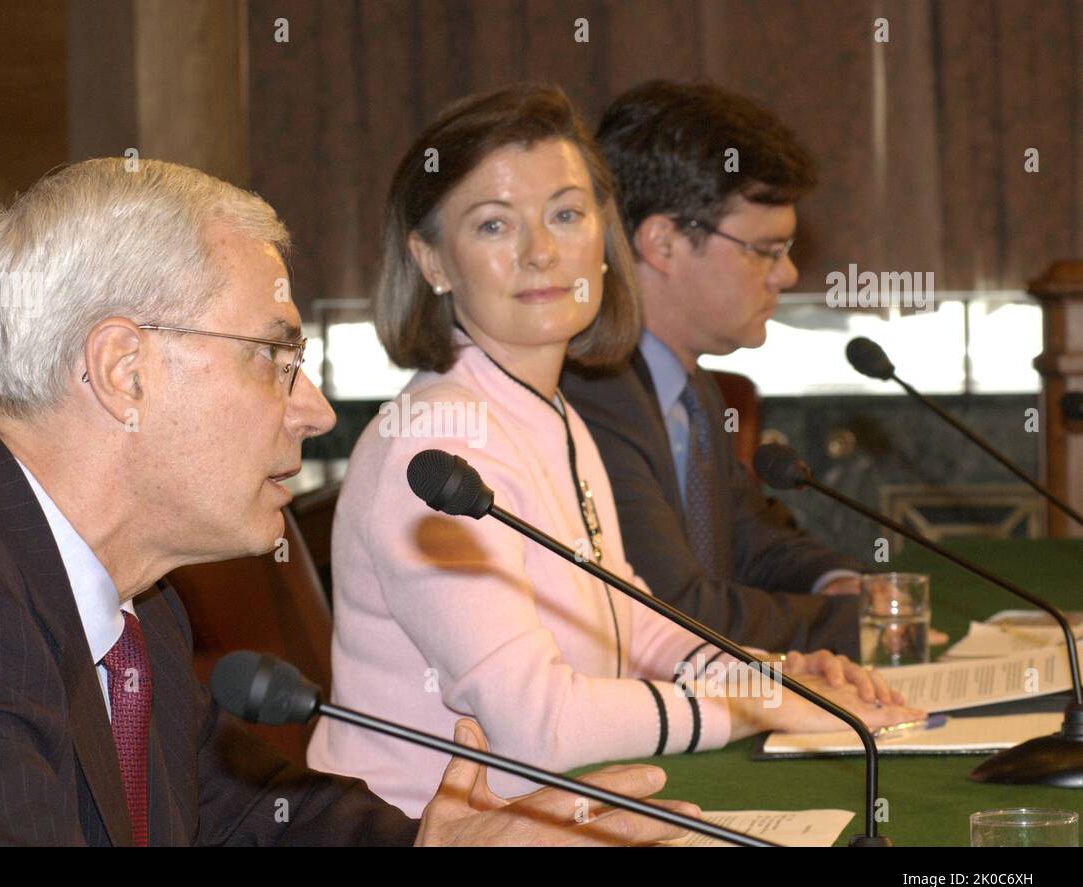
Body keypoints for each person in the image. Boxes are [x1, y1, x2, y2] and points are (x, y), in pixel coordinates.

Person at [0, 158, 693, 846]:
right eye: (277, 358)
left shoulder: (133, 602)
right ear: (123, 370)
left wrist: (430, 840)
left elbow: (253, 815)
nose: (317, 409)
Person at [308, 85, 921, 818]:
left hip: (547, 814)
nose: (541, 252)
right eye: (495, 225)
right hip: (417, 832)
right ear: (433, 260)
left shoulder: (550, 410)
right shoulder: (435, 446)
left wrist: (777, 678)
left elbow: (627, 617)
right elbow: (538, 724)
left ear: (603, 240)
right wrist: (752, 710)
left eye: (566, 215)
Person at [562, 80, 896, 658]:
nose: (787, 275)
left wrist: (839, 582)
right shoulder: (593, 393)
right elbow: (673, 613)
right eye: (765, 250)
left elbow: (749, 539)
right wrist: (854, 622)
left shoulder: (692, 388)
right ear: (662, 244)